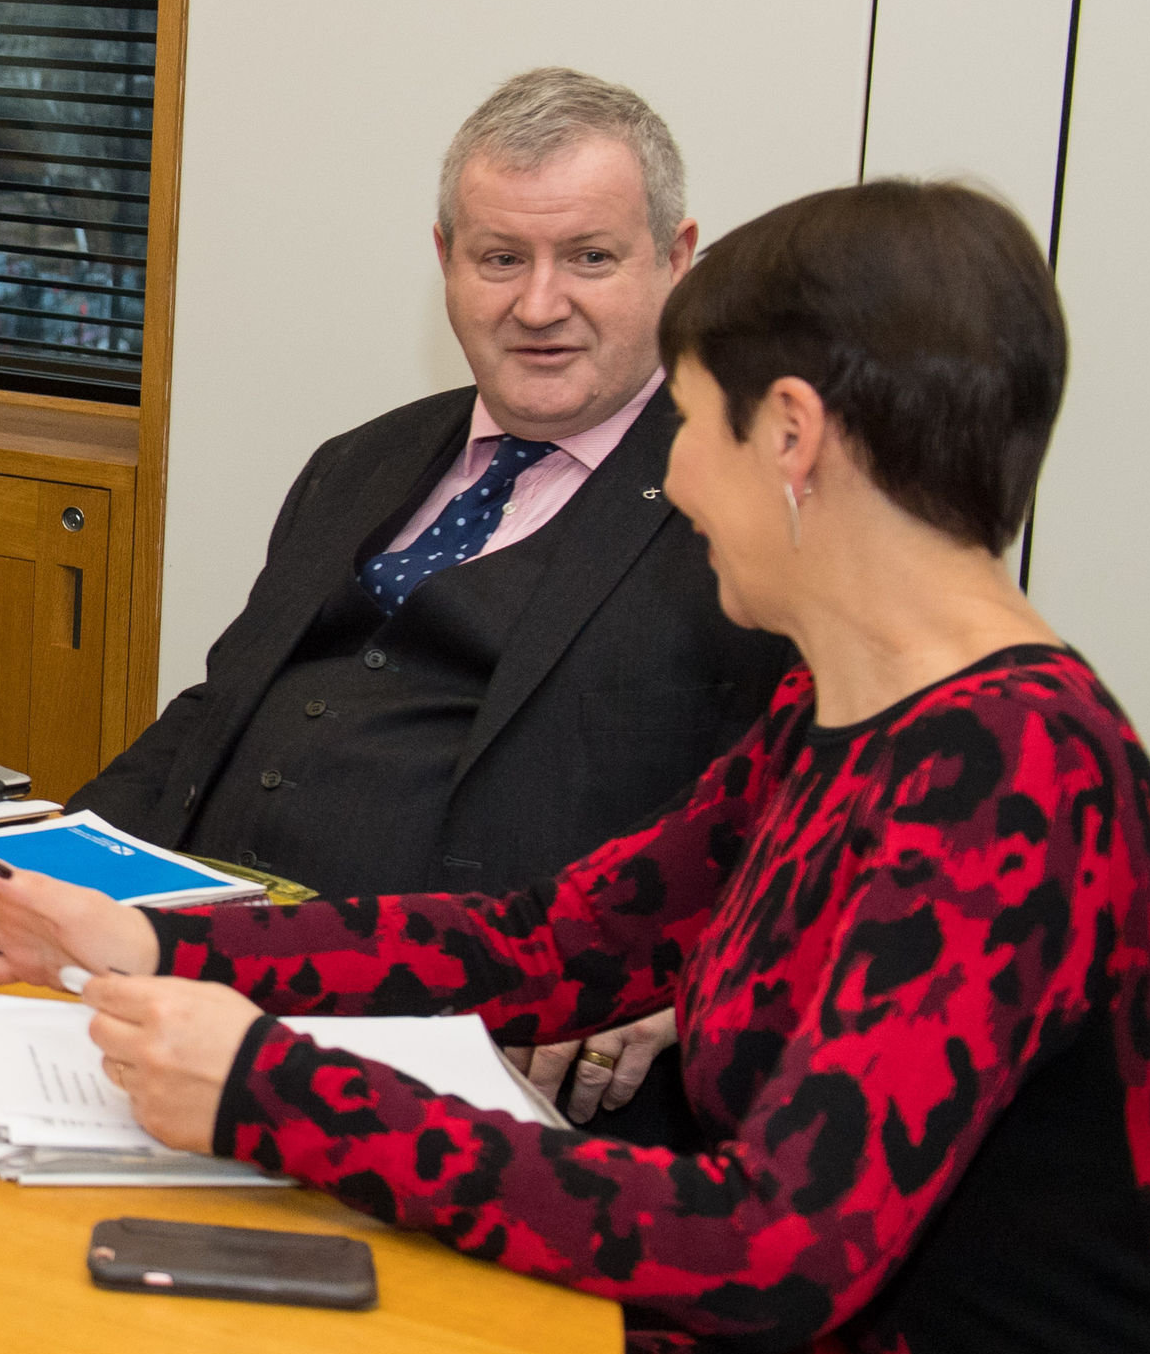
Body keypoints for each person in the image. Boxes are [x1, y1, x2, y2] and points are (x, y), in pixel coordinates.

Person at [0, 179, 1150, 1354]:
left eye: (689, 427)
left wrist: (272, 1094)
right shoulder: (850, 716)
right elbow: (559, 944)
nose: (676, 484)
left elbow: (771, 1251)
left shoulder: (1008, 777)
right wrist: (157, 935)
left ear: (794, 438)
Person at [76, 68, 790, 1134]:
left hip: (465, 1059)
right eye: (499, 259)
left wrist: (698, 978)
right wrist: (49, 861)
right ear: (445, 261)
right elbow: (215, 711)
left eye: (589, 258)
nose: (537, 305)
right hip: (192, 984)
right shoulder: (357, 462)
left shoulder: (744, 507)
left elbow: (819, 811)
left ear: (674, 261)